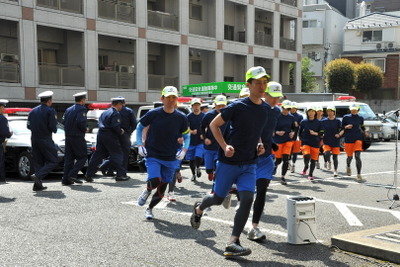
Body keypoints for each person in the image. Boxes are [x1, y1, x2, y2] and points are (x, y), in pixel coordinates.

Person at [190, 66, 270, 257]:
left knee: (248, 199)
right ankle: (199, 209)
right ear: (248, 85)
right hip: (229, 162)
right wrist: (225, 146)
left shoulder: (266, 109)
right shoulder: (237, 106)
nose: (262, 86)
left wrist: (259, 143)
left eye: (264, 82)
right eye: (257, 82)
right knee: (217, 199)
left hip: (249, 163)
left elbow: (254, 131)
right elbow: (213, 125)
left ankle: (233, 242)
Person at [136, 86, 190, 219]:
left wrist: (184, 149)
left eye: (174, 98)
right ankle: (147, 190)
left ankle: (149, 209)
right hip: (153, 154)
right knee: (155, 180)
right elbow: (139, 127)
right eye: (168, 97)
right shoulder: (154, 113)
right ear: (162, 98)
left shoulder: (181, 117)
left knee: (162, 187)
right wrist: (139, 145)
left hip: (171, 157)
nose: (171, 100)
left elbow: (187, 136)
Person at [248, 81, 282, 241]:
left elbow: (267, 132)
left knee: (261, 191)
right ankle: (230, 190)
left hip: (266, 158)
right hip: (248, 157)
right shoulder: (254, 109)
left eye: (278, 97)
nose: (275, 100)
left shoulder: (277, 111)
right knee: (247, 194)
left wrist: (272, 143)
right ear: (264, 94)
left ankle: (254, 227)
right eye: (272, 97)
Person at [85, 97, 129, 182]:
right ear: (118, 104)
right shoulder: (115, 113)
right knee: (118, 154)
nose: (122, 107)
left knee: (97, 156)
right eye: (121, 105)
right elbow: (115, 126)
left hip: (101, 135)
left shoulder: (105, 112)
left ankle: (88, 175)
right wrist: (121, 131)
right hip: (110, 136)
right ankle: (120, 175)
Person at [27, 91, 58, 191]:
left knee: (38, 162)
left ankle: (37, 185)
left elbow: (28, 126)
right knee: (53, 160)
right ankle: (38, 175)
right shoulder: (50, 111)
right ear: (49, 101)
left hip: (34, 139)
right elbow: (53, 127)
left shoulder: (32, 111)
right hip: (45, 139)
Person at [99, 99, 137, 177]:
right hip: (124, 134)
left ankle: (109, 169)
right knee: (124, 154)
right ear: (123, 103)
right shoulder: (129, 111)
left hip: (114, 134)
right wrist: (129, 132)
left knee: (115, 153)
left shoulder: (110, 110)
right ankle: (122, 172)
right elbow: (134, 124)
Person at [200, 95, 228, 188]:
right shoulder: (209, 115)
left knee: (218, 168)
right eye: (218, 105)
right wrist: (205, 138)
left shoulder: (228, 115)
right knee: (209, 168)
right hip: (209, 146)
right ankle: (210, 172)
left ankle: (214, 187)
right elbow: (202, 127)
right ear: (215, 105)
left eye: (223, 106)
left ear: (226, 105)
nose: (220, 108)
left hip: (221, 147)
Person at [61, 92, 88, 185]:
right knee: (83, 157)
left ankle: (65, 179)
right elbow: (81, 122)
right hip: (77, 136)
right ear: (82, 100)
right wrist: (85, 129)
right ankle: (72, 175)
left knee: (69, 159)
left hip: (68, 136)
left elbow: (63, 122)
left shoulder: (68, 109)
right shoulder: (82, 109)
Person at [340, 103, 368, 182]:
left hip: (358, 138)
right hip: (349, 139)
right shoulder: (346, 117)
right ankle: (348, 166)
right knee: (350, 157)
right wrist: (346, 127)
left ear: (358, 110)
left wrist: (365, 131)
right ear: (350, 110)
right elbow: (341, 127)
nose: (354, 111)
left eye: (355, 110)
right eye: (352, 110)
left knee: (357, 156)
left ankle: (358, 174)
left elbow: (362, 126)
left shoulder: (360, 118)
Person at [273, 99, 295, 185]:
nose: (286, 111)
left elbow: (293, 127)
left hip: (288, 140)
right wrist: (277, 132)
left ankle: (283, 177)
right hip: (278, 140)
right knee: (278, 160)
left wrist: (293, 132)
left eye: (288, 109)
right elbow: (272, 128)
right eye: (285, 109)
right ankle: (274, 166)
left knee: (286, 159)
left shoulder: (291, 117)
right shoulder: (277, 116)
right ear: (282, 107)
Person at [298, 106, 324, 181]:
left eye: (312, 112)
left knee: (313, 160)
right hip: (305, 142)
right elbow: (299, 132)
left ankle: (310, 174)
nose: (311, 113)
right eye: (309, 112)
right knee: (307, 155)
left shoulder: (319, 122)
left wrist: (315, 133)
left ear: (315, 113)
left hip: (315, 143)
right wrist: (301, 139)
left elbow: (322, 133)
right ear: (307, 113)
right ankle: (306, 166)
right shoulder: (304, 122)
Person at [186, 98, 205, 181]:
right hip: (191, 141)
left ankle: (198, 167)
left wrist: (204, 134)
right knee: (191, 159)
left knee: (198, 156)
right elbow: (186, 128)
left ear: (200, 106)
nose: (196, 107)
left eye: (198, 105)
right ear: (192, 106)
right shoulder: (188, 117)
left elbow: (208, 127)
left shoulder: (204, 116)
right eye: (195, 105)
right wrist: (191, 131)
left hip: (200, 141)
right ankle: (193, 174)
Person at [321, 106, 342, 177]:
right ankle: (328, 161)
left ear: (334, 112)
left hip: (335, 141)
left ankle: (335, 170)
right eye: (328, 111)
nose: (329, 113)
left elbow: (342, 129)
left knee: (335, 157)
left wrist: (339, 134)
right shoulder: (323, 121)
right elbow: (320, 129)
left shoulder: (338, 121)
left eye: (331, 111)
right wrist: (321, 134)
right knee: (327, 153)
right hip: (326, 140)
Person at [0, 99, 13, 182]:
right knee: (0, 162)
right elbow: (5, 133)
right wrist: (10, 133)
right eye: (3, 107)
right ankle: (1, 178)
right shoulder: (2, 118)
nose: (4, 109)